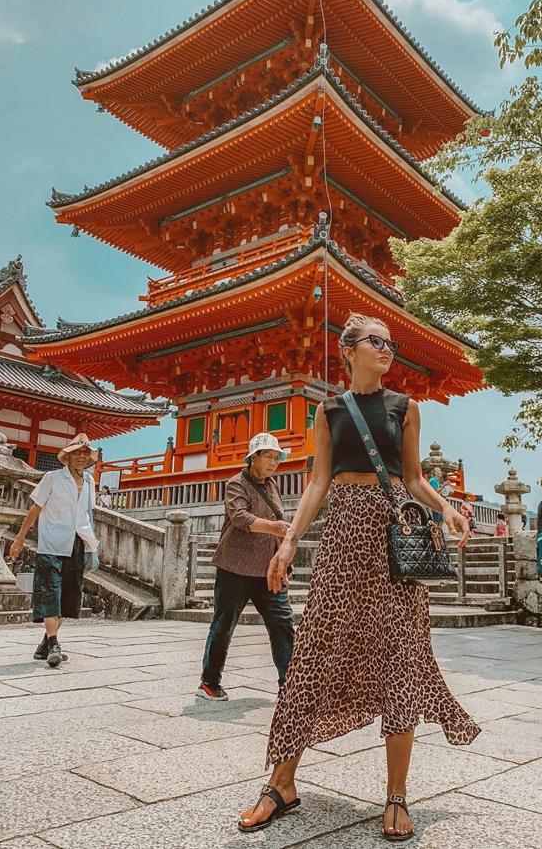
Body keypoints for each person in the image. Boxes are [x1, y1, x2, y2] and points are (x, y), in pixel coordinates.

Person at [238, 313, 478, 841]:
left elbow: (412, 479)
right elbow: (318, 482)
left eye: (391, 344)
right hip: (343, 536)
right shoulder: (329, 411)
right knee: (313, 652)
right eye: (376, 342)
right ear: (349, 351)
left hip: (392, 539)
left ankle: (397, 795)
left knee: (400, 655)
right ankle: (281, 783)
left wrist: (446, 507)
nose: (387, 350)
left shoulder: (405, 407)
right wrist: (290, 539)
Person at [196, 433, 295, 701]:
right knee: (224, 624)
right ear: (253, 458)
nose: (274, 462)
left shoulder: (272, 485)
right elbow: (239, 517)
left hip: (268, 569)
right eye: (268, 456)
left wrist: (284, 562)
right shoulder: (236, 483)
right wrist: (274, 527)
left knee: (283, 623)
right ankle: (209, 682)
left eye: (276, 458)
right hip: (235, 567)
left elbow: (278, 520)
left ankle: (289, 685)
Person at [9, 433, 99, 667]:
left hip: (77, 544)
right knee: (51, 594)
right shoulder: (52, 478)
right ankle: (54, 643)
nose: (81, 457)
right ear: (67, 456)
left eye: (85, 454)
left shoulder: (90, 482)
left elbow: (87, 514)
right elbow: (35, 509)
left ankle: (45, 645)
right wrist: (19, 538)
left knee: (68, 597)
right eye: (76, 453)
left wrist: (92, 546)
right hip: (51, 544)